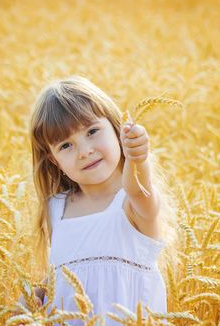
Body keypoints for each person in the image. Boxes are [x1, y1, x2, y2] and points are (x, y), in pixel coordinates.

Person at [20, 76, 177, 325]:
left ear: (117, 130)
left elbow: (139, 189)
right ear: (54, 161)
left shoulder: (133, 204)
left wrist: (138, 159)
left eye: (92, 131)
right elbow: (60, 277)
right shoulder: (56, 209)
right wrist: (36, 295)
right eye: (65, 145)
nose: (84, 151)